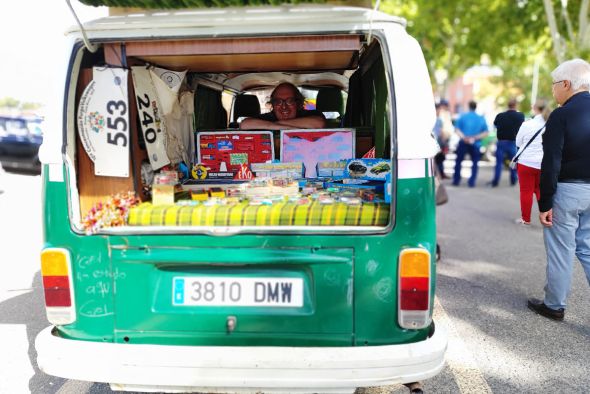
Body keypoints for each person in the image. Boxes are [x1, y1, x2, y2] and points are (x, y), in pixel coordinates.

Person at [528, 59, 590, 321]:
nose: (554, 91)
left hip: (567, 191)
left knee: (561, 249)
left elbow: (551, 160)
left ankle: (554, 305)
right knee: (587, 249)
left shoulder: (561, 115)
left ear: (566, 84)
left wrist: (545, 203)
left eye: (554, 85)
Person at [513, 99, 551, 225]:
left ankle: (526, 219)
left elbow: (518, 143)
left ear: (534, 108)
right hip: (544, 164)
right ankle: (546, 217)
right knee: (540, 190)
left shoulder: (527, 124)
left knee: (526, 191)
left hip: (526, 163)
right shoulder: (551, 124)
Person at [240, 82, 326, 130]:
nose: (284, 107)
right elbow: (244, 124)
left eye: (290, 101)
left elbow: (319, 123)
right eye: (278, 102)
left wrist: (275, 124)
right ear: (272, 104)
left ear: (298, 103)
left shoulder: (311, 115)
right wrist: (280, 126)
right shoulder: (267, 117)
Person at [452, 100, 489, 187]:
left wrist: (464, 137)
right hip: (475, 143)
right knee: (475, 162)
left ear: (469, 106)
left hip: (463, 141)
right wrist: (475, 137)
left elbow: (457, 129)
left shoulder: (462, 117)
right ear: (476, 107)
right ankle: (471, 182)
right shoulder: (481, 118)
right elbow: (486, 132)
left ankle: (456, 180)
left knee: (458, 161)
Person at [489, 99, 524, 187]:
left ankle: (495, 181)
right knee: (513, 163)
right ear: (516, 105)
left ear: (507, 105)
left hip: (501, 142)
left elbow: (495, 125)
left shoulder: (500, 115)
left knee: (498, 163)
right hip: (513, 142)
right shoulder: (520, 116)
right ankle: (513, 180)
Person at [433, 100, 453, 178]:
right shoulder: (438, 118)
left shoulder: (441, 118)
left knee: (440, 159)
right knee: (437, 160)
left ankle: (439, 175)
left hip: (440, 141)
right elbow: (441, 131)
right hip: (437, 142)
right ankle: (438, 176)